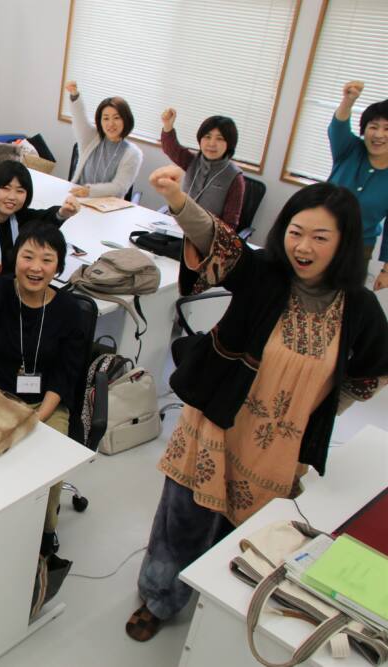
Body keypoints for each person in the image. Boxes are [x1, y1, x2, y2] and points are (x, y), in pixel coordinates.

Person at [126, 165, 388, 642]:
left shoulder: (361, 309)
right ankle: (159, 597)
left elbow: (371, 373)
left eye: (320, 237)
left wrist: (324, 410)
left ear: (345, 242)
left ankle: (217, 615)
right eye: (295, 232)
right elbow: (222, 245)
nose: (303, 247)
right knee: (182, 520)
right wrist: (181, 203)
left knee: (246, 537)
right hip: (213, 421)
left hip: (276, 447)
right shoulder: (266, 272)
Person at [0, 222, 87, 598]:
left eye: (47, 259)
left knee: (45, 462)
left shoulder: (70, 310)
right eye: (28, 256)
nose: (36, 267)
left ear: (58, 266)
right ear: (15, 259)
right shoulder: (2, 293)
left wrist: (35, 418)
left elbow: (65, 376)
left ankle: (43, 532)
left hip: (45, 406)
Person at [0, 160, 79, 300]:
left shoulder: (20, 218)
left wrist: (63, 213)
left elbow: (45, 220)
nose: (12, 197)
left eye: (20, 191)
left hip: (18, 292)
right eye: (5, 188)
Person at [327, 80, 388, 290]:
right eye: (373, 126)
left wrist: (387, 270)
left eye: (387, 128)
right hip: (319, 235)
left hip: (358, 249)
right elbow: (338, 127)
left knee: (342, 304)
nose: (379, 134)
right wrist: (348, 100)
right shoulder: (349, 150)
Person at [160, 108, 245, 230]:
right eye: (207, 137)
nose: (212, 143)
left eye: (219, 138)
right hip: (177, 227)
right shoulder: (193, 161)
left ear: (229, 143)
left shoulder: (235, 177)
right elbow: (171, 148)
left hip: (206, 236)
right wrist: (168, 125)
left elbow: (230, 224)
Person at [64, 81, 143, 199]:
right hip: (76, 200)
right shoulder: (91, 137)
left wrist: (89, 191)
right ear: (100, 121)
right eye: (106, 118)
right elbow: (79, 116)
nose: (110, 123)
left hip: (107, 208)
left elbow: (119, 187)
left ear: (126, 120)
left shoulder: (133, 154)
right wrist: (74, 95)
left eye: (116, 118)